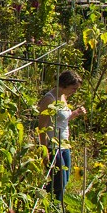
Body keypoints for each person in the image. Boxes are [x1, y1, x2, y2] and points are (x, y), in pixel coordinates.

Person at [38, 71, 85, 203]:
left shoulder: (62, 97)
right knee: (59, 180)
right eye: (74, 88)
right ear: (64, 85)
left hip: (64, 144)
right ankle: (50, 205)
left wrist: (75, 113)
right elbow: (42, 126)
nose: (75, 91)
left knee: (65, 179)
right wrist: (44, 150)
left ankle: (54, 206)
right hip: (53, 145)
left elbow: (62, 119)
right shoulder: (49, 99)